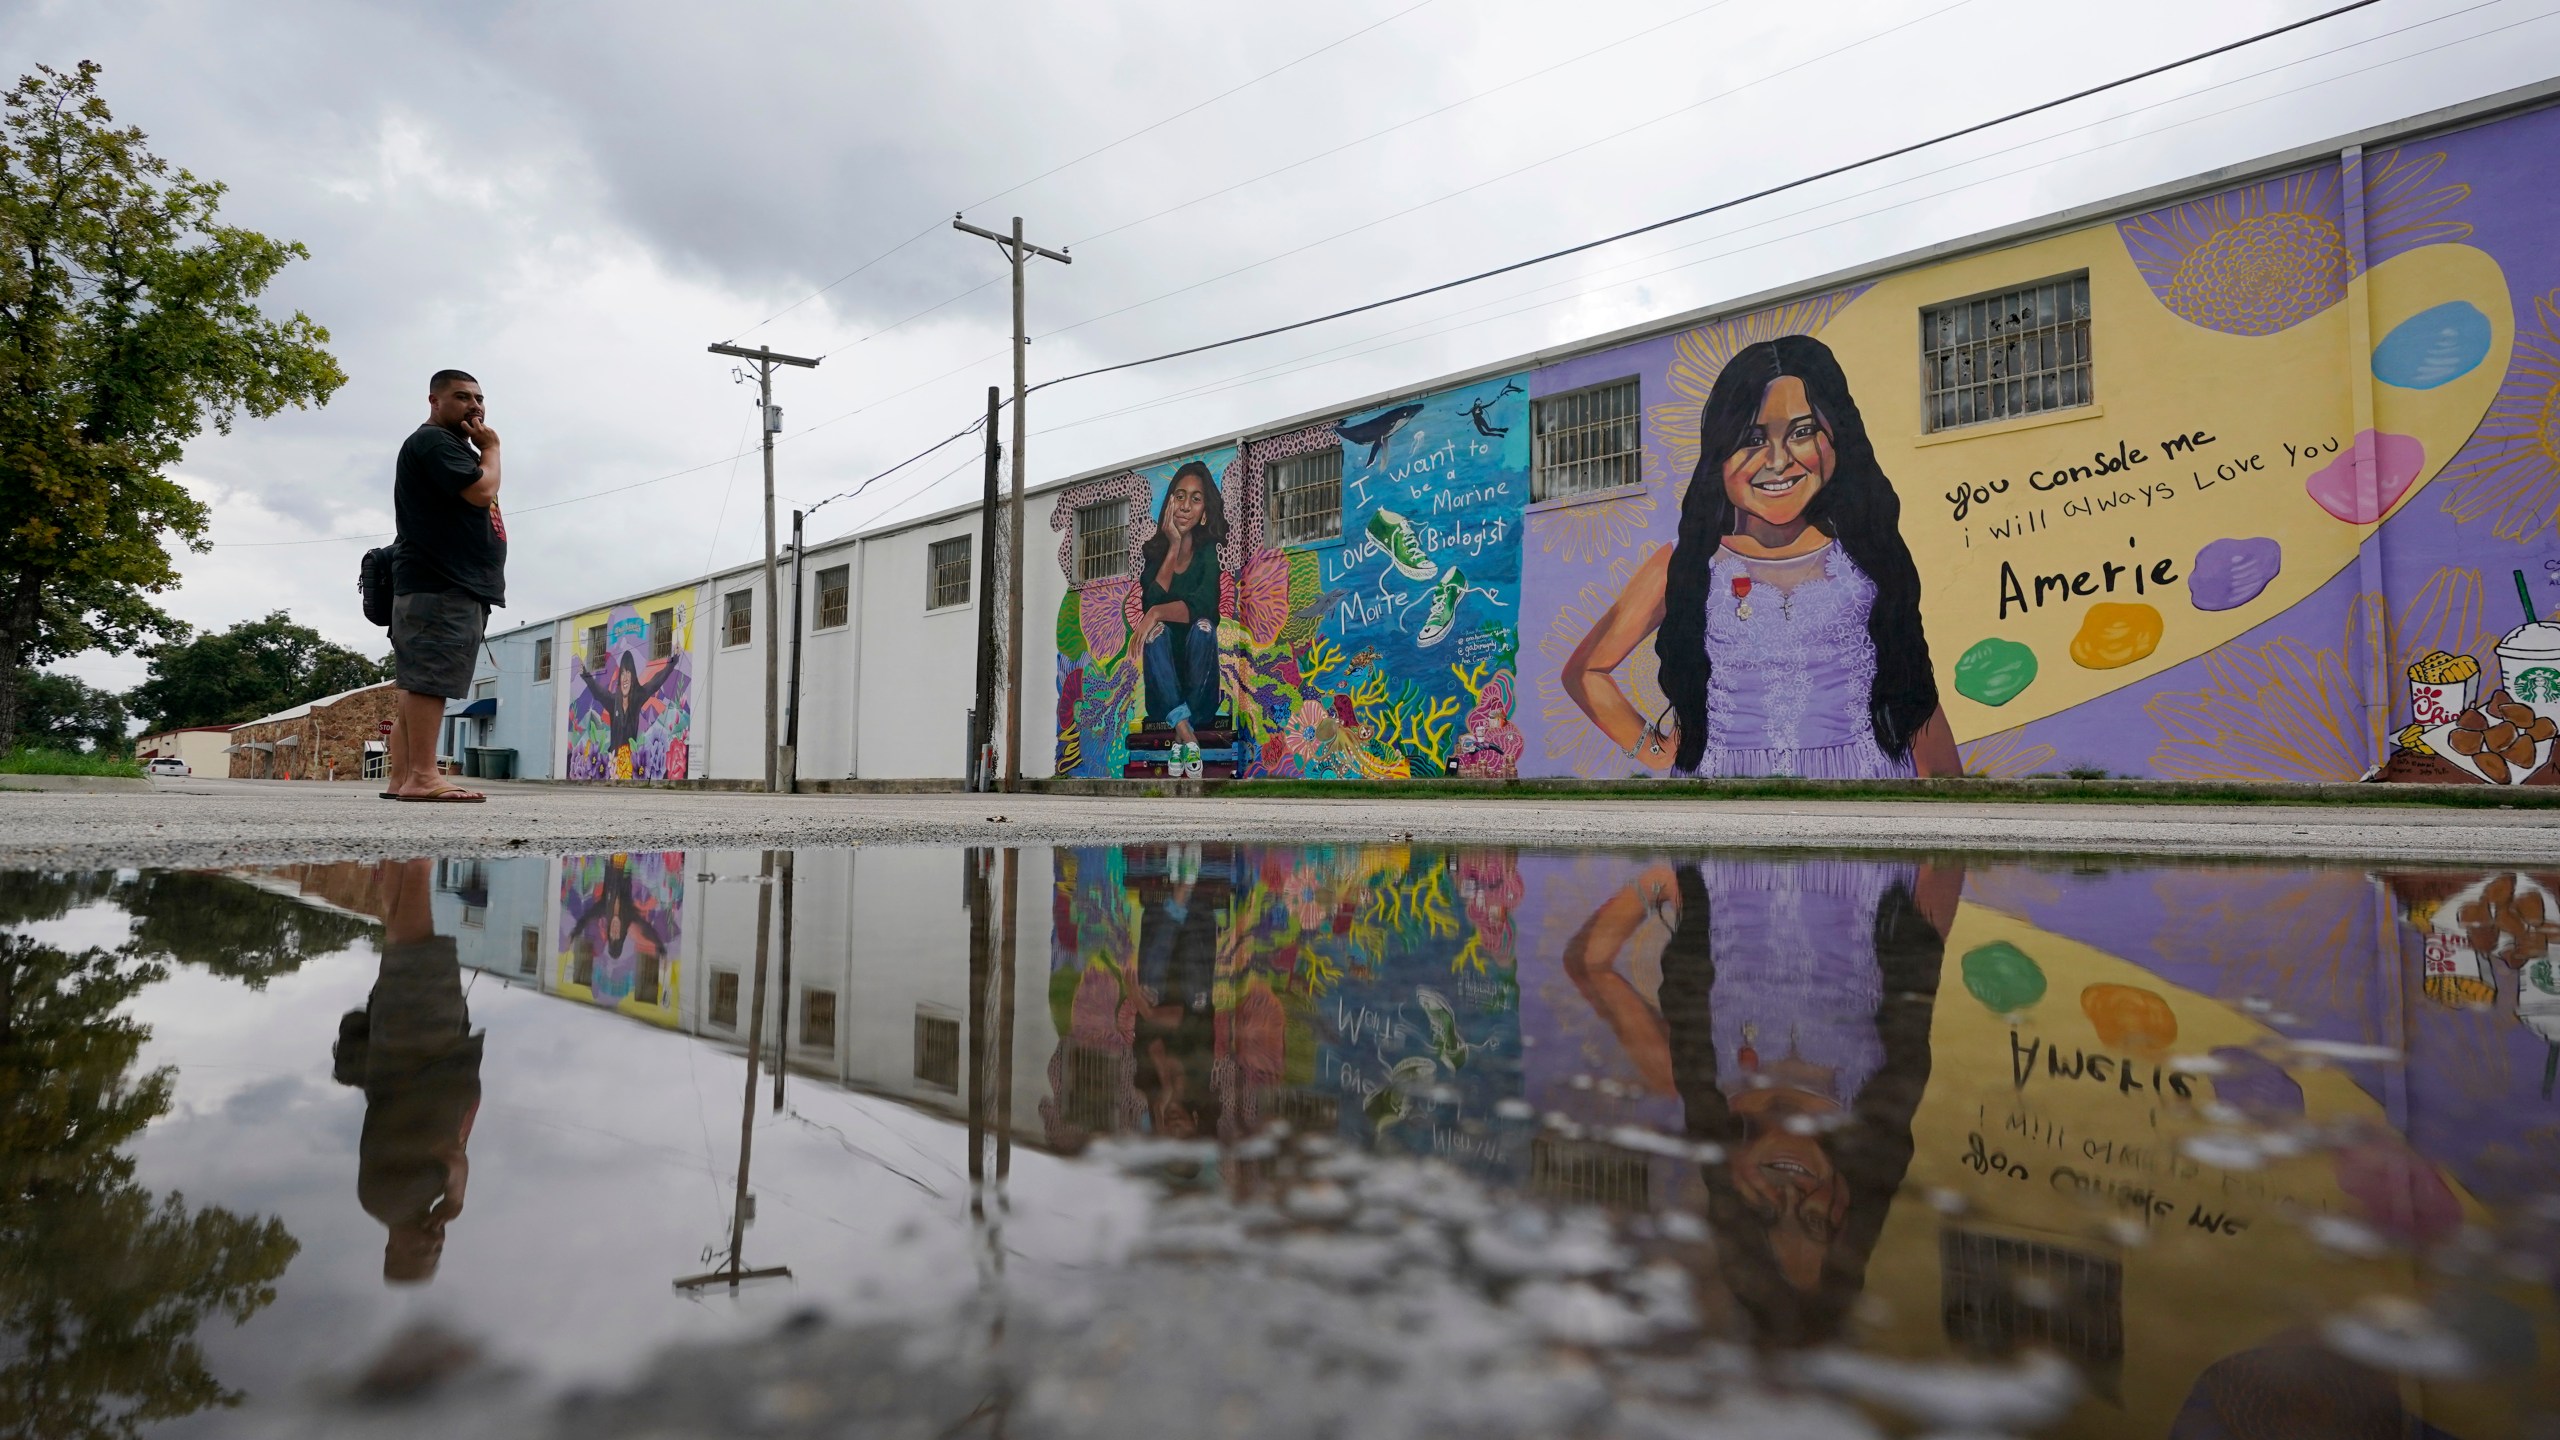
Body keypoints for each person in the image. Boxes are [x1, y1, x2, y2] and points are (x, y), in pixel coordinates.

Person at [1559, 855, 1960, 1344]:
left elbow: (1588, 965)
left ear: (1733, 1186)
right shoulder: (1886, 1073)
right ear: (1844, 1204)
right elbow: (1936, 876)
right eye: (1812, 1222)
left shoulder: (1686, 1073)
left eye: (1766, 1213)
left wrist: (1672, 879)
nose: (1789, 1196)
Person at [1562, 336, 1960, 778]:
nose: (1778, 460)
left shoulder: (1866, 553)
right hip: (1724, 798)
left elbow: (1911, 685)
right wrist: (1657, 753)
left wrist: (1949, 819)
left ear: (1836, 437)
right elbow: (1586, 671)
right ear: (1719, 453)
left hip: (1864, 784)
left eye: (1803, 432)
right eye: (1751, 438)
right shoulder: (1689, 564)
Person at [334, 857, 483, 1284]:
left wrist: (454, 1201)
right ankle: (398, 859)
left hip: (418, 1042)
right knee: (402, 938)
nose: (435, 1244)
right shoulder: (380, 1200)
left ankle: (415, 853)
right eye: (436, 1253)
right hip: (396, 1044)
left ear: (393, 1248)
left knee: (413, 943)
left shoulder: (400, 1199)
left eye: (423, 1254)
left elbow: (451, 1154)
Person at [385, 369, 506, 802]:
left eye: (479, 397)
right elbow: (480, 491)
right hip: (442, 582)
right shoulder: (435, 441)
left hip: (440, 581)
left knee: (418, 680)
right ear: (434, 401)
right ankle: (422, 777)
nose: (475, 405)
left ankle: (403, 777)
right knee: (430, 680)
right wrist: (491, 449)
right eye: (461, 396)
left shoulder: (448, 446)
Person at [1134, 462, 1228, 776]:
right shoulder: (1153, 554)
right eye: (1180, 496)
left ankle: (1181, 733)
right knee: (1156, 633)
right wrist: (1172, 545)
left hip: (1201, 694)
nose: (1186, 505)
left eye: (1196, 498)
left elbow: (1206, 607)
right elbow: (1151, 599)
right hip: (1162, 693)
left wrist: (1158, 612)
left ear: (1204, 512)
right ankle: (1187, 737)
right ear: (1170, 502)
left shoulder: (1207, 555)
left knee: (1203, 628)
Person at [575, 648, 679, 766]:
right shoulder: (613, 701)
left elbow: (656, 681)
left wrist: (673, 661)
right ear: (619, 677)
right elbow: (597, 691)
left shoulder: (638, 697)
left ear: (633, 676)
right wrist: (585, 675)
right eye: (622, 673)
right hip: (613, 763)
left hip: (630, 763)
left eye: (628, 673)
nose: (625, 678)